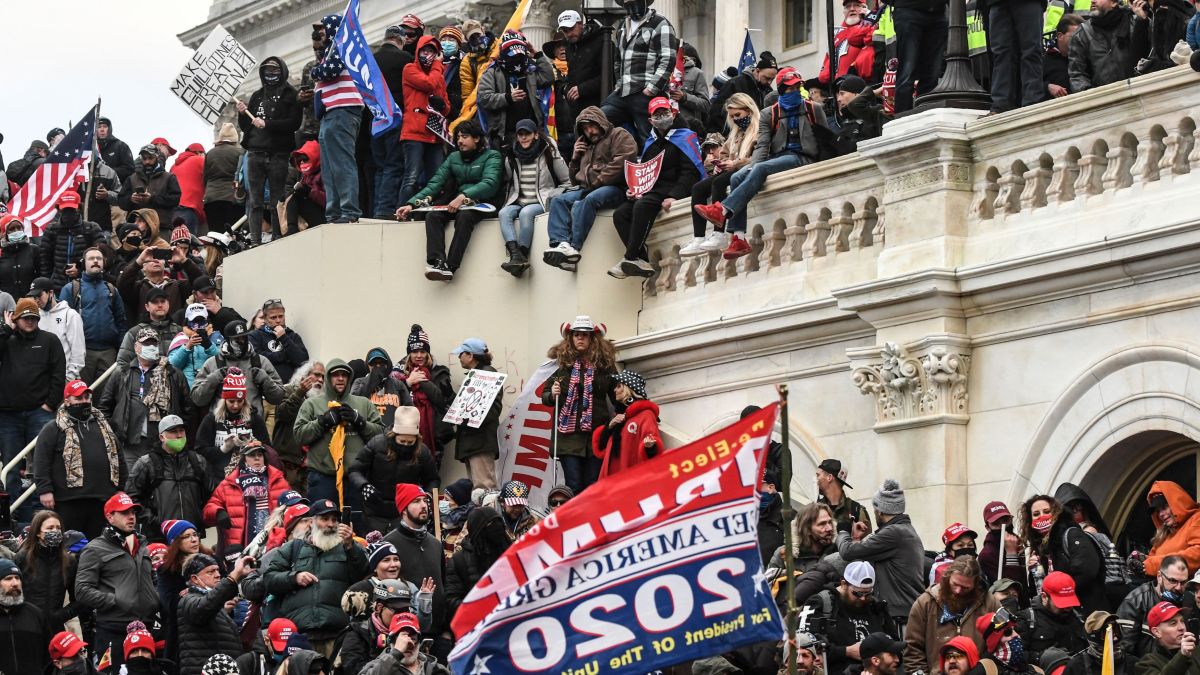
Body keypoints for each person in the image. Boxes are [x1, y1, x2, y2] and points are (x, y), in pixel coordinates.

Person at [693, 67, 828, 260]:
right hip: (778, 156)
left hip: (802, 157)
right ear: (781, 89)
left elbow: (825, 138)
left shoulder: (813, 108)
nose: (794, 91)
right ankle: (738, 238)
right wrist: (750, 167)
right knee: (739, 175)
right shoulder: (769, 113)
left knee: (760, 167)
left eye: (797, 87)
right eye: (789, 88)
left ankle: (723, 209)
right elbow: (763, 146)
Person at [608, 96, 703, 279]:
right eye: (657, 114)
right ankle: (640, 259)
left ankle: (629, 256)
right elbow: (643, 171)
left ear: (673, 113)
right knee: (620, 214)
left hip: (671, 189)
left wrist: (675, 195)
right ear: (650, 120)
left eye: (664, 112)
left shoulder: (686, 137)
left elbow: (690, 172)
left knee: (642, 207)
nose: (662, 117)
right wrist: (634, 189)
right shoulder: (649, 143)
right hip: (652, 190)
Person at [396, 120, 503, 281]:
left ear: (477, 139)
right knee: (433, 216)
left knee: (465, 217)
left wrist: (464, 196)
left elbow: (490, 184)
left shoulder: (492, 156)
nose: (459, 140)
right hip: (458, 203)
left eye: (465, 137)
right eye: (458, 137)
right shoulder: (453, 157)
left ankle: (451, 266)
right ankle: (438, 262)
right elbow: (435, 183)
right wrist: (411, 204)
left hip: (484, 203)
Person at [265, 498, 369, 656]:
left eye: (335, 520)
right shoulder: (293, 548)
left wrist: (350, 545)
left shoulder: (348, 548)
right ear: (311, 522)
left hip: (338, 636)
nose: (330, 524)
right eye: (324, 519)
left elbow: (362, 575)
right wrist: (294, 577)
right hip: (299, 637)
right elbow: (269, 579)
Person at [543, 107, 638, 271]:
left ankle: (574, 247)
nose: (590, 132)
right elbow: (574, 180)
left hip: (616, 187)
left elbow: (623, 161)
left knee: (588, 201)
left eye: (592, 126)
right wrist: (575, 158)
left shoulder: (618, 134)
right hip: (587, 188)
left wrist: (598, 182)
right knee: (558, 201)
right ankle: (561, 244)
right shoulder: (587, 146)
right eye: (585, 129)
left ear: (600, 122)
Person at [75, 492, 159, 672]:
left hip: (146, 627)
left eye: (133, 513)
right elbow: (81, 590)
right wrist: (115, 600)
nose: (131, 517)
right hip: (114, 629)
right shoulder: (94, 549)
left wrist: (155, 598)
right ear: (110, 517)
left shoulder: (142, 544)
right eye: (124, 512)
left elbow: (153, 580)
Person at [34, 380, 124, 538]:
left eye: (86, 398)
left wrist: (121, 488)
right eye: (78, 398)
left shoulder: (104, 426)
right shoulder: (53, 428)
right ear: (67, 401)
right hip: (68, 501)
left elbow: (119, 457)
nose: (84, 402)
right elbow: (41, 460)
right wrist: (45, 490)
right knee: (70, 546)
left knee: (98, 546)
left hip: (102, 499)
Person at [294, 358, 385, 508]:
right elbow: (299, 436)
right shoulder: (312, 404)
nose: (340, 378)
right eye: (336, 374)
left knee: (356, 526)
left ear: (349, 378)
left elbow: (381, 435)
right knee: (323, 527)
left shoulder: (363, 403)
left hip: (356, 478)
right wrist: (322, 422)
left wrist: (359, 421)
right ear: (328, 378)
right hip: (323, 477)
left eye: (344, 375)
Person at [98, 327, 191, 472]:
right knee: (131, 484)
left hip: (162, 445)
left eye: (154, 344)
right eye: (146, 343)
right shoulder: (123, 373)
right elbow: (104, 406)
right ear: (136, 347)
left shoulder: (173, 374)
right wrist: (114, 433)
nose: (151, 347)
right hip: (130, 444)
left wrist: (177, 434)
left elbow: (187, 408)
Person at [835, 479, 925, 630]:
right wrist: (857, 539)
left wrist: (843, 530)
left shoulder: (894, 533)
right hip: (904, 613)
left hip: (899, 618)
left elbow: (847, 552)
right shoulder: (903, 531)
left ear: (880, 510)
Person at [0, 297, 66, 501]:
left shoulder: (49, 340)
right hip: (8, 415)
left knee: (44, 462)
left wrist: (50, 404)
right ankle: (11, 513)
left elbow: (58, 373)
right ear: (16, 319)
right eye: (25, 317)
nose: (29, 321)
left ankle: (43, 508)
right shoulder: (6, 339)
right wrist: (6, 330)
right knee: (11, 465)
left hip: (40, 412)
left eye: (34, 318)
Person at [543, 316, 617, 493]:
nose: (580, 338)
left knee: (593, 484)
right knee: (574, 484)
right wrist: (552, 395)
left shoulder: (605, 365)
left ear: (593, 338)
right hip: (568, 438)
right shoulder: (560, 365)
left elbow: (618, 393)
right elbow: (545, 395)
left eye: (585, 335)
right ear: (571, 338)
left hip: (596, 435)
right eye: (576, 335)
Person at [682, 95, 759, 256]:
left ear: (748, 110)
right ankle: (699, 237)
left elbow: (759, 156)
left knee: (719, 183)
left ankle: (719, 233)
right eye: (732, 117)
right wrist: (721, 163)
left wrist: (735, 163)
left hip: (747, 168)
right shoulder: (735, 133)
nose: (735, 120)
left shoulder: (759, 129)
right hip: (732, 168)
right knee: (698, 188)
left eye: (738, 115)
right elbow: (724, 153)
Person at [236, 56, 301, 242]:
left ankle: (276, 236)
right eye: (266, 71)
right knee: (255, 202)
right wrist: (242, 114)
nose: (270, 74)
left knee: (276, 200)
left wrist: (268, 124)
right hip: (255, 153)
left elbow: (294, 123)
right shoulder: (257, 95)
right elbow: (247, 126)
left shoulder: (290, 94)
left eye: (274, 70)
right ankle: (255, 240)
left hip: (278, 154)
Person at [602, 0, 681, 147]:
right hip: (623, 92)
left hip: (646, 92)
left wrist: (651, 88)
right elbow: (618, 60)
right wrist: (619, 84)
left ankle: (654, 168)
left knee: (650, 140)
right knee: (597, 120)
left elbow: (668, 58)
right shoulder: (622, 27)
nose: (632, 4)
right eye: (628, 2)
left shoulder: (660, 23)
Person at [311, 14, 365, 224]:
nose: (319, 34)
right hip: (330, 113)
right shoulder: (330, 51)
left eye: (323, 29)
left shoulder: (343, 46)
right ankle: (334, 212)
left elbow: (327, 72)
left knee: (342, 163)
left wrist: (316, 71)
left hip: (342, 111)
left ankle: (349, 210)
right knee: (329, 168)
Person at [498, 120, 570, 277]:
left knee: (526, 213)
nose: (524, 138)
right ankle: (515, 255)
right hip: (518, 199)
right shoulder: (511, 155)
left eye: (527, 134)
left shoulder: (549, 151)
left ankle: (522, 253)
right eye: (520, 134)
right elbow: (508, 180)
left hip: (541, 200)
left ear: (536, 135)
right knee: (504, 213)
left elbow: (567, 180)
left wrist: (554, 194)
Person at [385, 484, 449, 659]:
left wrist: (446, 629)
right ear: (404, 509)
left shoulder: (435, 543)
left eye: (425, 501)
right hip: (406, 635)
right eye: (416, 501)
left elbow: (445, 585)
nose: (423, 505)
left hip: (439, 636)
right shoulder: (389, 544)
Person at [904, 556, 999, 674]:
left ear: (975, 584)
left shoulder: (990, 604)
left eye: (965, 588)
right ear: (947, 576)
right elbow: (913, 651)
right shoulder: (925, 604)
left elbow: (1003, 645)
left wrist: (983, 669)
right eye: (955, 584)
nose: (958, 591)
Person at [803, 560, 899, 675]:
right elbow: (804, 645)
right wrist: (846, 651)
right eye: (857, 593)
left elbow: (895, 644)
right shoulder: (821, 603)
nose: (863, 598)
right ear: (844, 584)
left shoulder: (876, 607)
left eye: (868, 594)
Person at [350, 407, 438, 532]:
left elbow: (432, 478)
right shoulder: (377, 444)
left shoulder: (422, 452)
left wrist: (427, 496)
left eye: (410, 442)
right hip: (374, 508)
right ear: (394, 435)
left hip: (405, 511)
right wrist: (364, 486)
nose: (406, 445)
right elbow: (355, 470)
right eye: (402, 441)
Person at [1019, 493, 1107, 614]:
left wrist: (1061, 595)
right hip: (1061, 615)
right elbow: (1039, 591)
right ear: (1030, 520)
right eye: (1036, 514)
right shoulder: (1040, 549)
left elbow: (1086, 570)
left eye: (1046, 511)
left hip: (1087, 610)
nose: (1042, 516)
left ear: (1055, 513)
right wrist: (1035, 572)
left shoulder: (1071, 534)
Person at [126, 414, 210, 540]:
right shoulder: (146, 463)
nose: (179, 435)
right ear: (162, 437)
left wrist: (200, 519)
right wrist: (154, 522)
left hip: (192, 535)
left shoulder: (198, 461)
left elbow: (211, 495)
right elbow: (131, 498)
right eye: (173, 431)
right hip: (159, 537)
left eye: (181, 430)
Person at [204, 440, 290, 552]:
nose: (257, 458)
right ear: (244, 458)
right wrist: (218, 512)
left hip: (273, 543)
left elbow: (292, 507)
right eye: (252, 455)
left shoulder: (278, 480)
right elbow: (208, 510)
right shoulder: (230, 483)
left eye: (260, 455)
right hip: (240, 546)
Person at [176, 552, 253, 675]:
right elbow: (204, 608)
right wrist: (233, 575)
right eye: (210, 572)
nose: (218, 575)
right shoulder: (187, 599)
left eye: (217, 570)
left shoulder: (215, 604)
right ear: (194, 579)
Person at [477, 30, 555, 150]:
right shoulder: (492, 72)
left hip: (532, 133)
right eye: (513, 55)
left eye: (520, 55)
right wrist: (508, 97)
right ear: (503, 53)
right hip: (505, 135)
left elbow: (548, 77)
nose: (517, 58)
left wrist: (538, 55)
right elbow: (484, 98)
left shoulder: (529, 70)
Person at [191, 319, 287, 415]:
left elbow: (278, 397)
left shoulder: (260, 361)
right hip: (222, 426)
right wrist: (213, 379)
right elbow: (197, 399)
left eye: (243, 338)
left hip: (253, 425)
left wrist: (265, 379)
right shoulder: (213, 363)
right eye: (236, 339)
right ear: (227, 340)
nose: (241, 342)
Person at [397, 35, 450, 209]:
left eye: (432, 52)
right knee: (411, 176)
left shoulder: (439, 77)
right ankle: (402, 210)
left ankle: (427, 211)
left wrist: (442, 106)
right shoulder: (409, 69)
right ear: (418, 51)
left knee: (435, 178)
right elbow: (428, 84)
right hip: (414, 132)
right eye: (425, 51)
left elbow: (447, 107)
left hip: (434, 134)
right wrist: (438, 65)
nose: (428, 55)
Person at [60, 248, 127, 382]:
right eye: (91, 258)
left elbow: (121, 321)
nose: (96, 261)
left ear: (104, 262)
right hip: (82, 353)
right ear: (83, 263)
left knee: (106, 397)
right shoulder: (71, 288)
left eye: (99, 258)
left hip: (109, 352)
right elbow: (62, 323)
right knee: (82, 395)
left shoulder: (111, 289)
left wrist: (121, 349)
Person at [195, 370, 272, 483]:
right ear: (224, 400)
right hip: (219, 478)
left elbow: (267, 448)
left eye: (240, 401)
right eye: (231, 401)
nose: (235, 406)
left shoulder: (254, 419)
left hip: (250, 477)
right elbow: (200, 451)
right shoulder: (212, 419)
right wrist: (223, 449)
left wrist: (251, 444)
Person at [374, 21, 416, 219]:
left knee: (380, 166)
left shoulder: (372, 59)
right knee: (394, 164)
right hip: (395, 118)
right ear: (400, 40)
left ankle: (376, 207)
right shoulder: (404, 59)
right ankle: (385, 208)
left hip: (374, 121)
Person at [450, 338, 503, 488]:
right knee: (477, 490)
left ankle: (489, 512)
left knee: (484, 488)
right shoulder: (477, 374)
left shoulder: (487, 375)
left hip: (480, 442)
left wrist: (468, 418)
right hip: (474, 442)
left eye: (461, 353)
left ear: (470, 355)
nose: (459, 357)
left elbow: (494, 410)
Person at [14, 511, 78, 631]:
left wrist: (61, 616)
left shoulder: (69, 561)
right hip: (27, 627)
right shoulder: (22, 558)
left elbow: (79, 599)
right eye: (50, 528)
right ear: (38, 532)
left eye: (58, 528)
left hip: (55, 628)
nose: (55, 531)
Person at [591, 370, 662, 478]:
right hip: (614, 481)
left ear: (628, 390)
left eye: (619, 386)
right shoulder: (620, 417)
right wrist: (609, 427)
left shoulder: (645, 415)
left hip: (632, 480)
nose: (614, 390)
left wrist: (649, 446)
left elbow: (653, 447)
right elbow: (603, 449)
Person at [444, 505, 509, 616]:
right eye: (490, 524)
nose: (497, 527)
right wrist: (480, 610)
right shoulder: (459, 561)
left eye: (498, 522)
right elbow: (452, 599)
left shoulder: (510, 553)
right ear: (477, 530)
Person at [38, 192, 105, 293]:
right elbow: (44, 260)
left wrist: (80, 269)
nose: (68, 213)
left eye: (72, 209)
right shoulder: (52, 230)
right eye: (65, 209)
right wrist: (47, 285)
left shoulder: (91, 228)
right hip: (58, 288)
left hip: (86, 286)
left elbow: (102, 256)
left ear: (79, 208)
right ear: (60, 209)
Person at [273, 361, 324, 492]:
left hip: (311, 466)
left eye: (323, 377)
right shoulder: (288, 390)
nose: (320, 380)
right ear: (304, 375)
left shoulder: (322, 400)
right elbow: (282, 414)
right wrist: (300, 393)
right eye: (317, 375)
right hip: (288, 463)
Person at [1069, 0, 1139, 92]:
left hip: (1138, 94)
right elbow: (1077, 75)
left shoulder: (1134, 23)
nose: (1093, 1)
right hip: (1103, 101)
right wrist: (1091, 96)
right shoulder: (1082, 35)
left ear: (1113, 3)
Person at [0, 557, 51, 675]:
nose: (15, 583)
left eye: (17, 578)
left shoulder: (36, 614)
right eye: (8, 579)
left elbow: (49, 655)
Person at [1025, 571, 1088, 665]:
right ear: (1044, 597)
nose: (1067, 608)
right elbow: (1016, 656)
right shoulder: (1027, 619)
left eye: (1070, 602)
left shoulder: (1077, 618)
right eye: (1062, 603)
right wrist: (1041, 657)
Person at [29, 275, 85, 381]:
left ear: (51, 293)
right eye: (34, 297)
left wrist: (69, 378)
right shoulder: (35, 317)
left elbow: (78, 352)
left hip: (64, 380)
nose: (36, 300)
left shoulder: (70, 315)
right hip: (41, 381)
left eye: (39, 295)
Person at [559, 10, 607, 132]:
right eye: (565, 31)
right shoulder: (570, 46)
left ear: (580, 23)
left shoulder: (601, 40)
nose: (569, 33)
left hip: (598, 106)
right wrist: (566, 88)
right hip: (577, 109)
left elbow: (609, 75)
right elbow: (572, 74)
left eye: (571, 28)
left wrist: (582, 89)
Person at [360, 612, 450, 675]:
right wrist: (396, 653)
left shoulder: (437, 669)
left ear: (419, 642)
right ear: (390, 642)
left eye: (413, 638)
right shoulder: (375, 667)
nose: (408, 644)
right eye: (401, 639)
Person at [708, 52, 780, 132]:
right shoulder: (735, 83)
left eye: (772, 79)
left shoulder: (768, 90)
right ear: (757, 71)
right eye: (766, 78)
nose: (769, 82)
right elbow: (718, 111)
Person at [247, 299, 309, 384]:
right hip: (265, 386)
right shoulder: (255, 336)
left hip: (290, 387)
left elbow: (303, 361)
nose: (278, 320)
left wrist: (283, 338)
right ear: (265, 319)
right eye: (273, 317)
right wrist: (285, 355)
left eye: (281, 316)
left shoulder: (292, 336)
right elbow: (256, 359)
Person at [119, 145, 182, 229]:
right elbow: (121, 201)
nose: (147, 161)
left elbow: (175, 199)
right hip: (136, 228)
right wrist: (131, 199)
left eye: (150, 158)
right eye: (144, 159)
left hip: (161, 227)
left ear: (157, 157)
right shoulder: (131, 178)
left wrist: (152, 198)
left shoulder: (169, 177)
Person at [1145, 482, 1200, 578]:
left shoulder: (1196, 519)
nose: (1161, 514)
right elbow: (1150, 560)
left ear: (1177, 503)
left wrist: (1154, 565)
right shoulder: (1164, 534)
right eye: (1157, 511)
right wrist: (1140, 560)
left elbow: (1197, 555)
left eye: (1164, 507)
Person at [351, 347, 413, 429]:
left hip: (392, 435)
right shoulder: (359, 382)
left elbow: (409, 410)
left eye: (382, 364)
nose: (378, 366)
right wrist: (372, 381)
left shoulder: (397, 384)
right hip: (368, 434)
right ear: (368, 365)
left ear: (388, 365)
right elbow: (354, 404)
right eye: (373, 364)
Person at [203, 123, 245, 234]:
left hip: (211, 199)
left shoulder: (210, 153)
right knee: (232, 234)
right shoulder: (239, 153)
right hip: (232, 199)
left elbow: (205, 178)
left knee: (215, 235)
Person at [1137, 601, 1200, 675]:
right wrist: (1182, 656)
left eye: (1182, 621)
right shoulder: (1146, 664)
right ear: (1157, 632)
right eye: (1173, 623)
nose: (1182, 627)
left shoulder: (1196, 651)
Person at [169, 303, 223, 387]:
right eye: (195, 321)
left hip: (211, 391)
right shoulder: (180, 338)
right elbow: (172, 366)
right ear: (187, 321)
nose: (198, 324)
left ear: (207, 320)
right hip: (186, 392)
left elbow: (223, 364)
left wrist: (209, 346)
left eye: (201, 321)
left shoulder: (216, 337)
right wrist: (187, 347)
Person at [980, 500, 1028, 591]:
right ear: (987, 527)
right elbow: (1009, 588)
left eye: (1005, 520)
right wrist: (1011, 554)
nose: (1003, 526)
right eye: (996, 523)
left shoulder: (1016, 541)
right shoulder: (986, 555)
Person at [1066, 611, 1134, 675]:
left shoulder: (1132, 663)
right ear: (1093, 637)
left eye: (1116, 631)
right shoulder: (1077, 667)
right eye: (1107, 634)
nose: (1115, 638)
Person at [816, 457, 873, 533]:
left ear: (829, 477)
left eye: (818, 475)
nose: (816, 480)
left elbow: (867, 543)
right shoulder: (814, 510)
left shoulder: (856, 511)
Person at [975, 610, 1041, 675]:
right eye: (1008, 632)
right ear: (994, 642)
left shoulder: (1035, 670)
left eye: (1015, 629)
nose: (1016, 635)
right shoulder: (985, 671)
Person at [286, 140, 326, 234]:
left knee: (297, 198)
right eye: (300, 160)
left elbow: (329, 200)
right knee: (293, 197)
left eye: (305, 159)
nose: (303, 162)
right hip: (310, 216)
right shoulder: (305, 175)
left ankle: (292, 230)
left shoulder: (325, 174)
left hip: (324, 217)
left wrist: (309, 192)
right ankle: (291, 229)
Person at [0, 215, 41, 301]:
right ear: (4, 232)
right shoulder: (1, 253)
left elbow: (41, 276)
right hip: (7, 305)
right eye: (11, 229)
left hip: (32, 302)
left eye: (19, 227)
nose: (16, 231)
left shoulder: (34, 250)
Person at [1044, 16, 1084, 98]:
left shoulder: (1085, 58)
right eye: (1075, 36)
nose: (1079, 40)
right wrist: (1047, 87)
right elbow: (1029, 86)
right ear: (1060, 36)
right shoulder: (1043, 62)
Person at [97, 117, 136, 182]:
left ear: (109, 129)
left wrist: (108, 172)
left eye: (105, 126)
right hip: (94, 189)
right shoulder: (90, 149)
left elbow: (130, 169)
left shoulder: (121, 146)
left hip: (117, 188)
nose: (102, 129)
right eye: (99, 127)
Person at [439, 26, 465, 120]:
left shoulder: (465, 61)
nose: (446, 43)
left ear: (458, 44)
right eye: (443, 39)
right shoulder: (433, 61)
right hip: (438, 107)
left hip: (457, 108)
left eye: (451, 40)